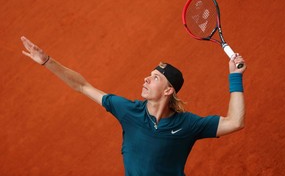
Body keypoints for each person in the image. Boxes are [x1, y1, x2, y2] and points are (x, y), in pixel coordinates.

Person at [20, 36, 247, 176]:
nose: (146, 79)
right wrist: (47, 62)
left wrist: (235, 75)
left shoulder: (187, 124)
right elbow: (82, 86)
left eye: (155, 77)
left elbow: (235, 122)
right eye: (149, 75)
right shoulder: (127, 110)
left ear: (169, 90)